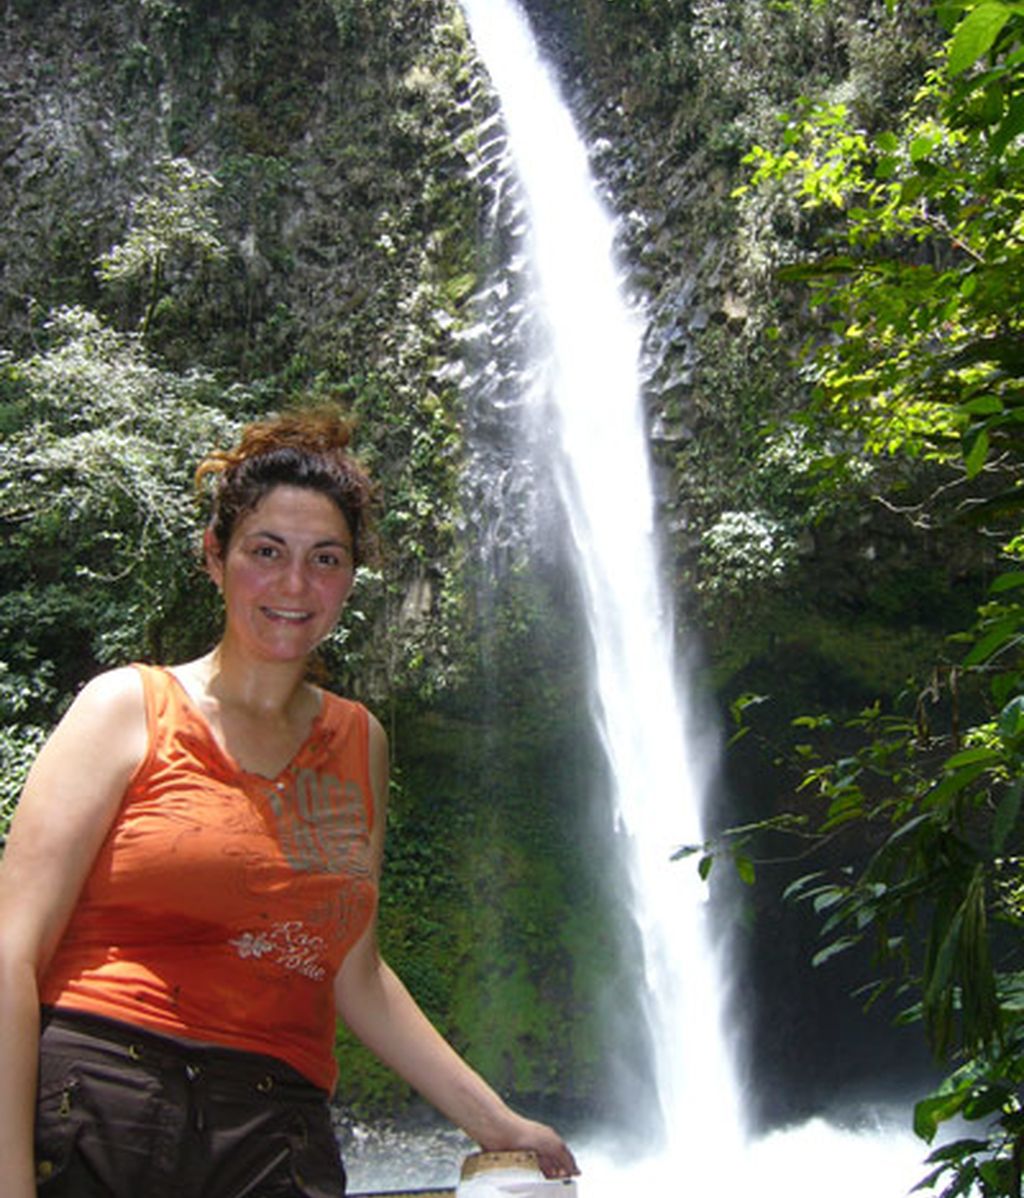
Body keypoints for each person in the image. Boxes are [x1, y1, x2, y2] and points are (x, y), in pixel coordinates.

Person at [0, 408, 578, 1197]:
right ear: (215, 558)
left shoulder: (357, 740)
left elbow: (353, 970)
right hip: (108, 1092)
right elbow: (12, 952)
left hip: (277, 1123)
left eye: (325, 559)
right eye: (266, 552)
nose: (295, 585)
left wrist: (496, 1123)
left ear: (350, 576)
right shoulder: (125, 709)